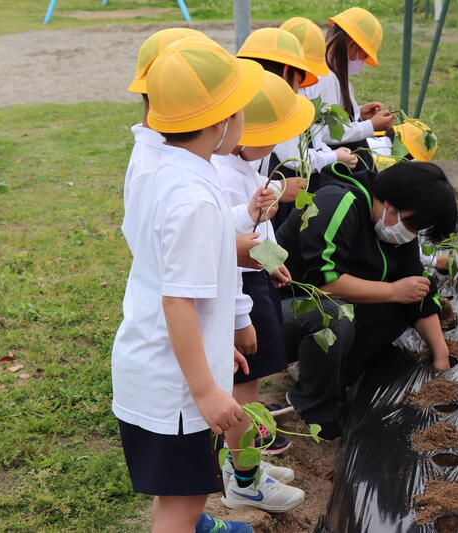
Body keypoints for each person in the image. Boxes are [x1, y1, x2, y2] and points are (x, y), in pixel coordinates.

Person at [111, 36, 262, 533]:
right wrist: (205, 390)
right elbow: (178, 300)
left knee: (175, 495)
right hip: (174, 389)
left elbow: (184, 280)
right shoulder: (193, 197)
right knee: (185, 505)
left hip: (158, 366)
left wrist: (218, 350)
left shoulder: (168, 170)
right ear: (222, 121)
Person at [275, 161, 458, 440]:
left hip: (326, 309)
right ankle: (312, 405)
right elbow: (325, 281)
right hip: (282, 314)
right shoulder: (337, 203)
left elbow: (417, 289)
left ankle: (328, 376)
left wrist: (441, 358)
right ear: (391, 204)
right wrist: (393, 291)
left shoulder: (396, 225)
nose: (412, 233)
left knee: (402, 301)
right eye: (413, 223)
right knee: (335, 315)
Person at [210, 71, 315, 509]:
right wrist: (240, 317)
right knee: (244, 386)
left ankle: (243, 462)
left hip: (255, 277)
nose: (273, 149)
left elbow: (260, 225)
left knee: (252, 380)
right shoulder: (221, 173)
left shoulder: (250, 162)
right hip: (239, 285)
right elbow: (228, 242)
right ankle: (245, 479)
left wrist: (273, 263)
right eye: (267, 139)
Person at [123, 27, 264, 271]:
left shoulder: (186, 149)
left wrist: (243, 217)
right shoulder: (152, 168)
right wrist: (228, 252)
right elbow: (153, 255)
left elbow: (198, 226)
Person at [236, 27, 356, 228]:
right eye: (300, 81)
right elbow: (290, 157)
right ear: (286, 71)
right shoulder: (274, 110)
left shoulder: (241, 102)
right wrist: (278, 188)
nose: (300, 89)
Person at [301, 7, 395, 170]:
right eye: (363, 56)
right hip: (331, 163)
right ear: (352, 45)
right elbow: (324, 132)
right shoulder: (326, 78)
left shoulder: (331, 73)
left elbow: (327, 116)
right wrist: (370, 126)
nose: (362, 62)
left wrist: (358, 112)